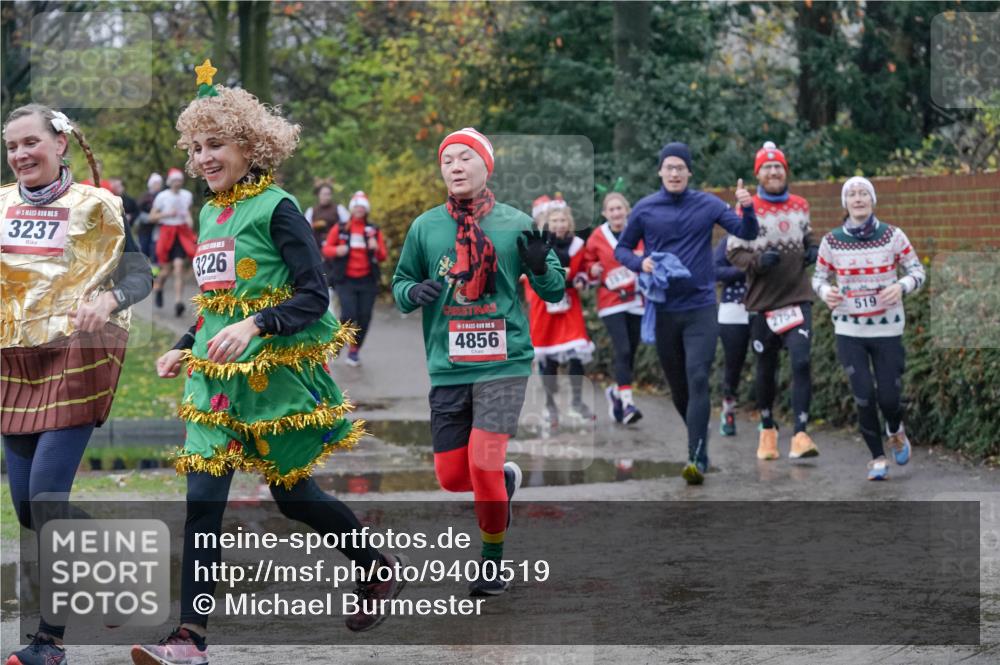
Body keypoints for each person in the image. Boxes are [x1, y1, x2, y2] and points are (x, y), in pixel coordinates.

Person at [133, 60, 406, 665]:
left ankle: (374, 564)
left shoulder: (279, 208)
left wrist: (256, 325)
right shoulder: (209, 212)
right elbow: (218, 303)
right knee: (203, 504)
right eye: (196, 147)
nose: (204, 157)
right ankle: (190, 638)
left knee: (293, 497)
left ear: (249, 146)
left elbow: (314, 296)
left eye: (216, 144)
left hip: (271, 382)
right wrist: (185, 344)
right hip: (214, 386)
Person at [2, 103, 152, 665]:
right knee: (27, 507)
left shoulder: (98, 205)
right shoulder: (0, 205)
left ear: (60, 143)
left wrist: (110, 300)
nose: (20, 155)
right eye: (12, 146)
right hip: (13, 361)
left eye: (30, 142)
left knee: (46, 497)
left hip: (77, 353)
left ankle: (50, 642)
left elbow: (139, 274)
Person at [392, 127, 565, 594]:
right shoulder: (425, 227)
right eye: (447, 160)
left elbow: (554, 291)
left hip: (504, 363)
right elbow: (400, 284)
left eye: (465, 158)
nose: (455, 167)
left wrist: (541, 265)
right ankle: (504, 482)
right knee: (453, 477)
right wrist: (413, 291)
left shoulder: (516, 223)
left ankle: (492, 564)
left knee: (483, 463)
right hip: (448, 365)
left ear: (486, 166)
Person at [614, 142, 758, 485]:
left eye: (681, 167)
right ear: (660, 171)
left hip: (701, 307)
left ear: (689, 172)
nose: (675, 173)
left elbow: (747, 233)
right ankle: (698, 436)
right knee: (679, 388)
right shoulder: (646, 208)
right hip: (664, 309)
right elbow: (622, 249)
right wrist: (640, 263)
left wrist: (747, 208)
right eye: (669, 167)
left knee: (697, 377)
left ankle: (695, 456)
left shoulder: (708, 204)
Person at [812, 176, 924, 481]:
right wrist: (826, 292)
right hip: (849, 330)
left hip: (887, 329)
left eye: (864, 193)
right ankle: (877, 458)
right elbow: (818, 278)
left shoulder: (892, 236)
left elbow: (917, 270)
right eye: (852, 194)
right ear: (845, 203)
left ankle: (895, 430)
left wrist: (901, 286)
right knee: (863, 396)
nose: (858, 198)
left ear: (872, 200)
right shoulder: (832, 241)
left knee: (889, 397)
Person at [725, 142, 819, 460]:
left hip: (797, 297)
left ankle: (801, 434)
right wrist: (757, 262)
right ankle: (767, 429)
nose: (774, 171)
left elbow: (807, 235)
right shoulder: (746, 209)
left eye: (778, 166)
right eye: (767, 167)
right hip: (763, 303)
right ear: (758, 174)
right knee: (766, 369)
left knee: (801, 361)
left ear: (785, 171)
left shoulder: (801, 204)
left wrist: (812, 248)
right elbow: (734, 252)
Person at [523, 196, 596, 428]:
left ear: (569, 222)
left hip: (569, 305)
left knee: (577, 352)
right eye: (554, 221)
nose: (559, 224)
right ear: (546, 222)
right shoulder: (538, 244)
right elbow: (529, 273)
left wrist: (583, 277)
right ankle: (550, 406)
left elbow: (583, 269)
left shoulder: (577, 245)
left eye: (563, 220)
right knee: (549, 358)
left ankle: (576, 402)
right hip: (544, 306)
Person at [582, 191, 646, 425]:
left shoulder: (638, 231)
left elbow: (651, 253)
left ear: (627, 210)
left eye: (619, 208)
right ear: (604, 213)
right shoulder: (598, 236)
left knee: (632, 351)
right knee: (623, 349)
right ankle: (628, 404)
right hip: (611, 301)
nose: (616, 213)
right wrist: (593, 269)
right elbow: (587, 262)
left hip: (637, 298)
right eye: (611, 209)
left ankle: (616, 392)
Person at [321, 190, 388, 366]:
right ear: (352, 209)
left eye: (362, 207)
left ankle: (354, 351)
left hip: (368, 281)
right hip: (345, 280)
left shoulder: (373, 230)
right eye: (356, 207)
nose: (359, 209)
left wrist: (376, 248)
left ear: (366, 210)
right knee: (349, 314)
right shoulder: (341, 228)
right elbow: (326, 249)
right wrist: (337, 250)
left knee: (364, 317)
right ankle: (338, 342)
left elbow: (383, 256)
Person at [713, 235, 749, 436]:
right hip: (733, 308)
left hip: (764, 306)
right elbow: (714, 271)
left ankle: (767, 415)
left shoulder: (769, 236)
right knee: (733, 363)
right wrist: (745, 269)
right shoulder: (728, 242)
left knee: (767, 362)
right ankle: (728, 409)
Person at [150, 167, 196, 317]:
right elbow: (152, 217)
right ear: (170, 182)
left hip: (181, 233)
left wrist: (189, 220)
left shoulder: (187, 195)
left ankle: (178, 302)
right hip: (166, 233)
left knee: (178, 266)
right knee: (166, 270)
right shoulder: (162, 196)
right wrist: (167, 214)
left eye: (179, 180)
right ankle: (158, 287)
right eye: (175, 180)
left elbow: (187, 212)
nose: (177, 183)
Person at [136, 172, 163, 266]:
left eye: (159, 183)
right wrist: (149, 218)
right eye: (156, 183)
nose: (158, 185)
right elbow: (138, 212)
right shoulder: (144, 197)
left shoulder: (163, 196)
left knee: (155, 249)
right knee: (144, 248)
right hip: (144, 228)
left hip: (157, 227)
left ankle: (155, 268)